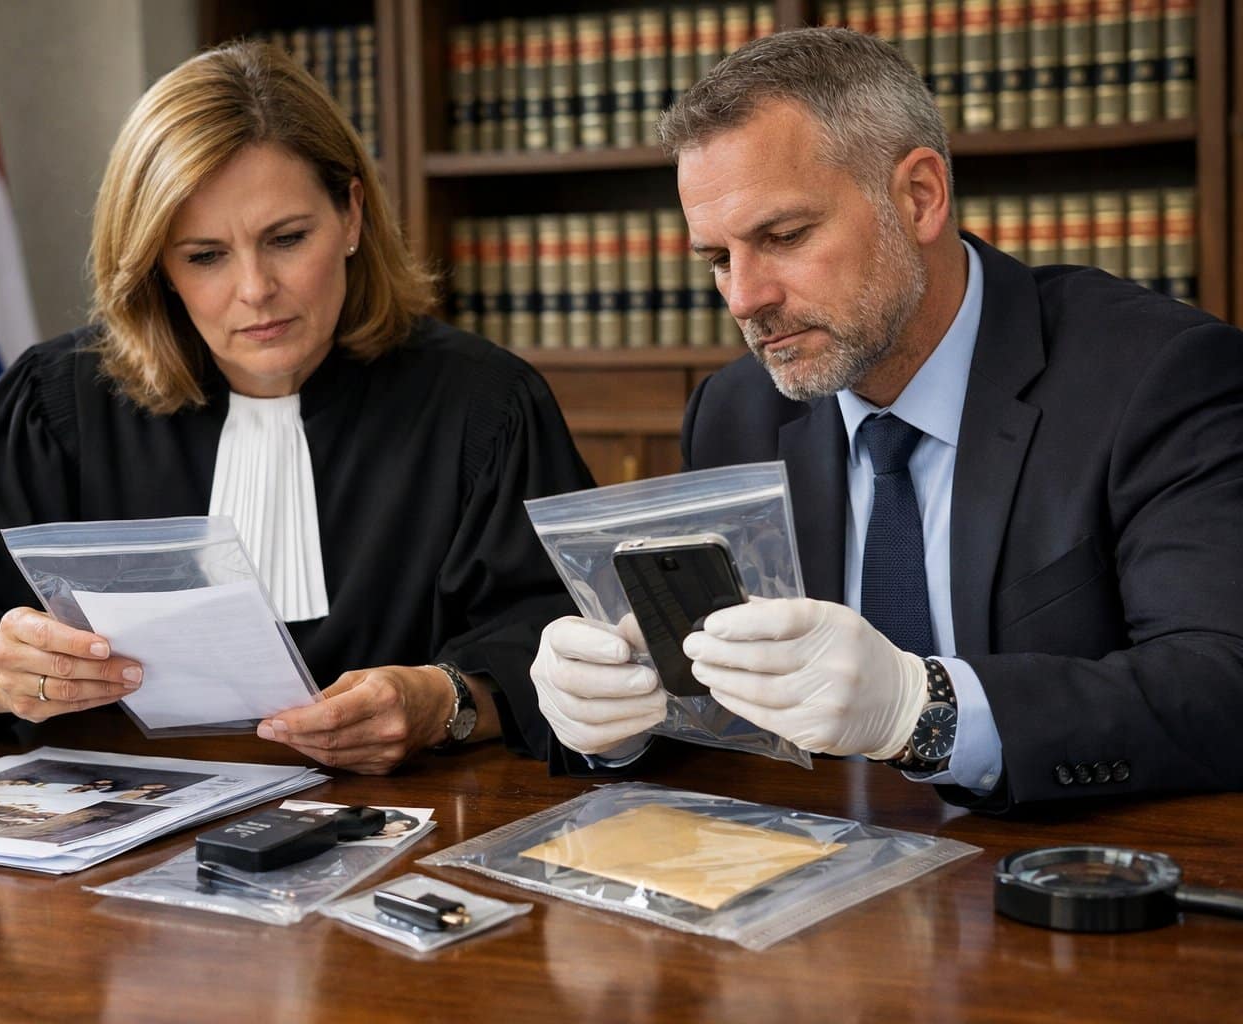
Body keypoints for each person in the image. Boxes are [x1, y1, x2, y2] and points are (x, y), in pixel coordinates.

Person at [0, 42, 594, 774]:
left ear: (350, 216)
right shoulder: (58, 401)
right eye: (205, 256)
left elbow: (574, 644)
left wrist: (443, 702)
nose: (255, 290)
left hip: (404, 838)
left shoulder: (483, 405)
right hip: (117, 854)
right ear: (156, 269)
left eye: (286, 238)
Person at [531, 28, 1243, 810]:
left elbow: (1219, 682)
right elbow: (728, 709)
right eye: (718, 258)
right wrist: (621, 719)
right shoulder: (733, 410)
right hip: (817, 886)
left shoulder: (1157, 375)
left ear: (919, 197)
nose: (744, 298)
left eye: (784, 236)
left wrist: (925, 707)